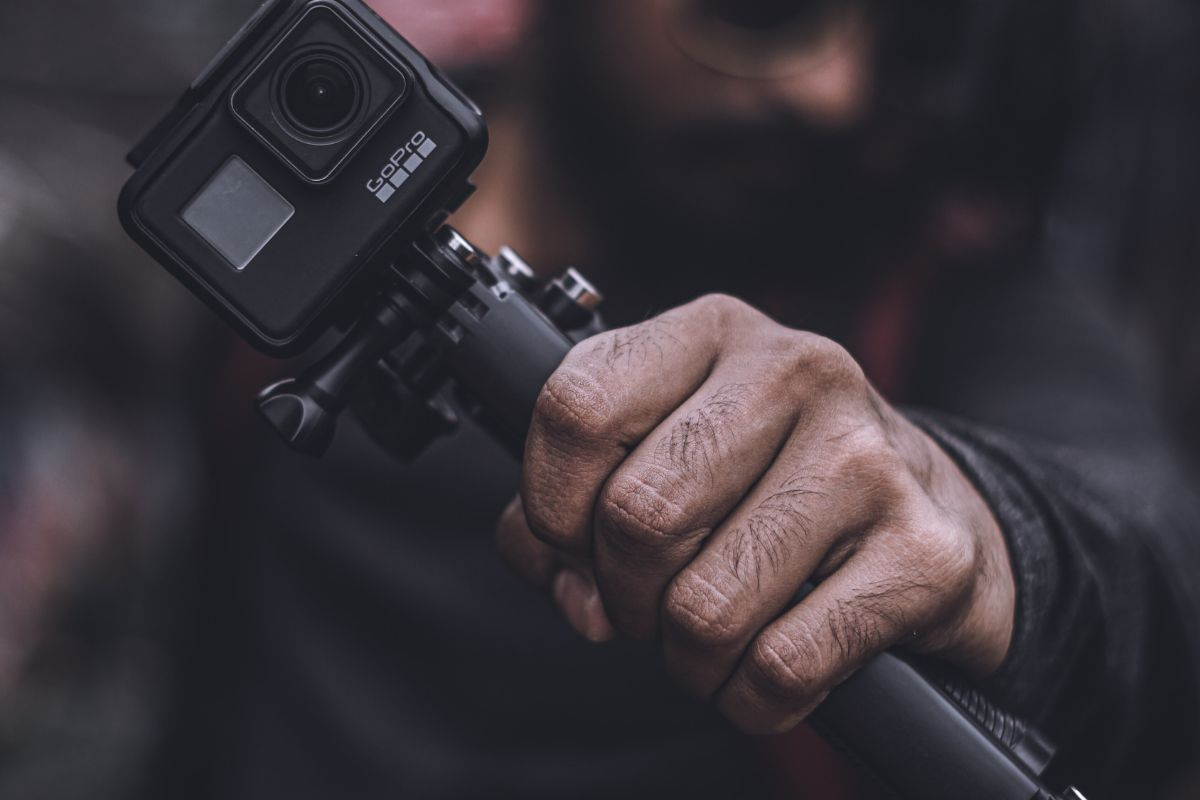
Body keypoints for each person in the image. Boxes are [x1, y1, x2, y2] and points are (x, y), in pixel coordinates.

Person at [0, 1, 1197, 799]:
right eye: (757, 7)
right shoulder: (259, 251)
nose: (837, 89)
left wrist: (979, 527)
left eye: (901, 32)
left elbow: (1146, 542)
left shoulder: (956, 288)